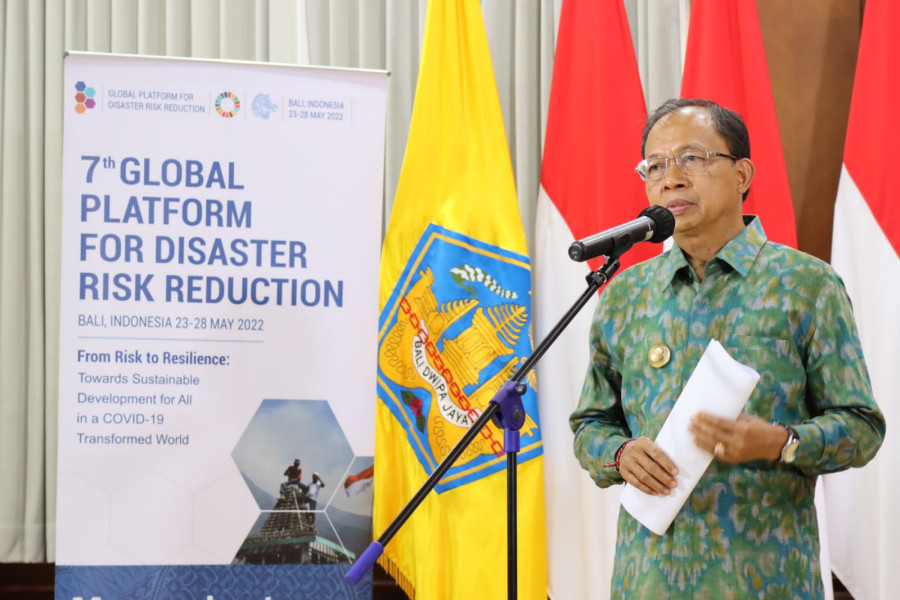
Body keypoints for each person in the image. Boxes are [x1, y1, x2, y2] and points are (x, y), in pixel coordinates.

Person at [569, 98, 885, 599]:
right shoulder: (627, 294)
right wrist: (620, 454)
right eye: (655, 166)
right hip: (648, 580)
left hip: (764, 580)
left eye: (691, 158)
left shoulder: (806, 285)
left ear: (742, 174)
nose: (669, 178)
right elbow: (590, 424)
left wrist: (781, 442)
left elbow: (863, 427)